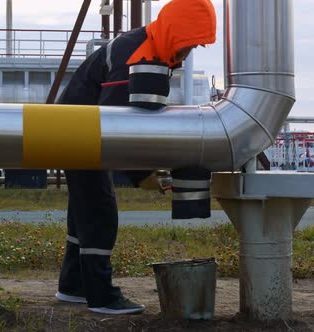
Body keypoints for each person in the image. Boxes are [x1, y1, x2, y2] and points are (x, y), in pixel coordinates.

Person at [55, 0, 217, 315]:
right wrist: (139, 174)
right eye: (187, 45)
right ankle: (101, 296)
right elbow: (118, 122)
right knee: (99, 212)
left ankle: (73, 285)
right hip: (79, 132)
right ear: (174, 33)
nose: (186, 55)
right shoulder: (140, 53)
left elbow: (133, 120)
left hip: (76, 128)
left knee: (84, 212)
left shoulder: (154, 49)